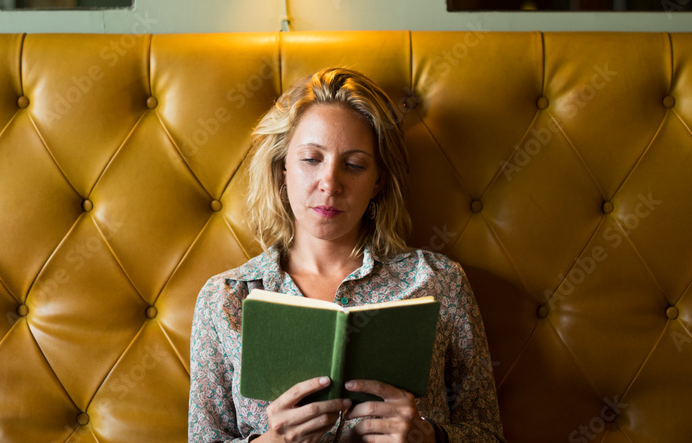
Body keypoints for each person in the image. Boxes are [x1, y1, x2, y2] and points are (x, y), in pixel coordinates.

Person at [188, 67, 504, 442]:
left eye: (354, 165)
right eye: (311, 159)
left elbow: (488, 434)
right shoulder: (226, 298)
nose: (330, 184)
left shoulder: (439, 282)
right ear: (282, 169)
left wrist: (429, 437)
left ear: (378, 181)